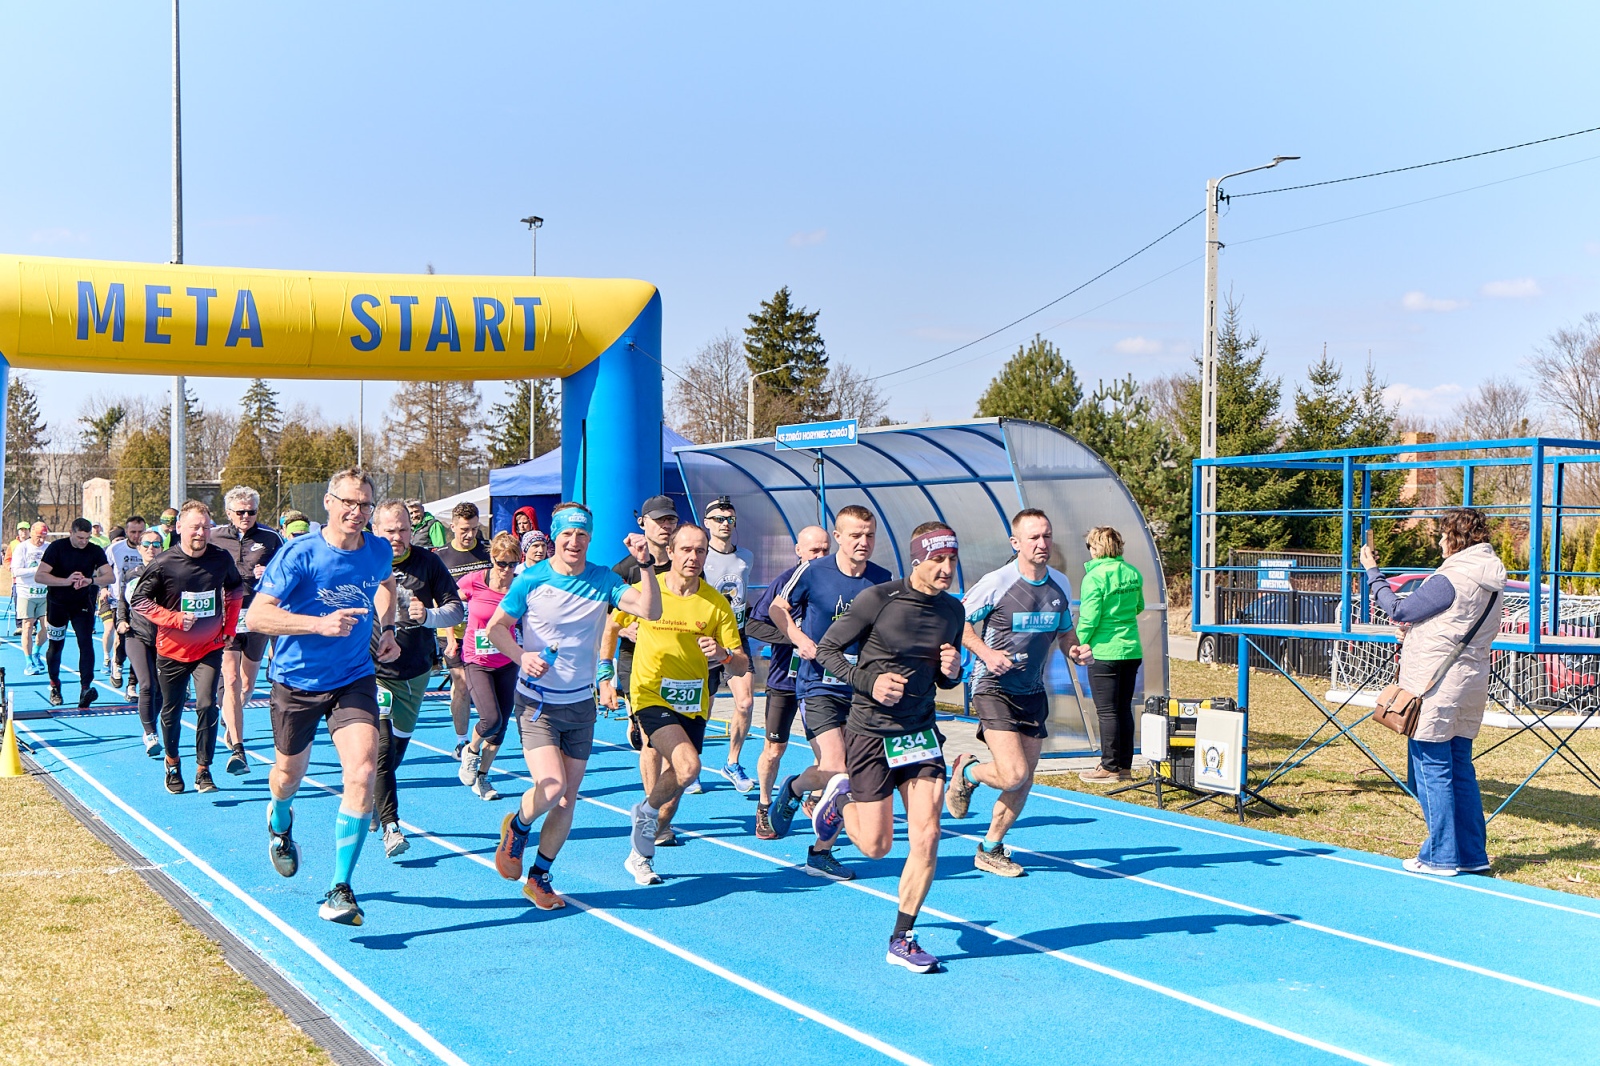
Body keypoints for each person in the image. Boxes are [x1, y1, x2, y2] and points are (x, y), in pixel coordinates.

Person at [247, 468, 400, 926]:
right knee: (287, 776)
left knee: (363, 770)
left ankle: (340, 888)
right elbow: (257, 617)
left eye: (365, 505)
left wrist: (387, 628)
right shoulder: (300, 554)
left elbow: (386, 584)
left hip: (353, 677)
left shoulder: (378, 550)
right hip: (296, 681)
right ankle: (279, 818)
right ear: (329, 503)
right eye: (348, 502)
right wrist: (318, 624)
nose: (357, 512)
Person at [811, 522, 966, 973]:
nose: (946, 568)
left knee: (928, 835)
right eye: (937, 559)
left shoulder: (953, 611)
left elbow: (944, 678)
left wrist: (953, 671)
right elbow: (827, 651)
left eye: (952, 560)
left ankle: (903, 937)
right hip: (872, 733)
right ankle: (840, 801)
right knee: (877, 847)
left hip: (919, 733)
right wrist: (869, 681)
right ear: (917, 559)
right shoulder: (878, 599)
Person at [489, 503, 660, 908]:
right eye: (567, 533)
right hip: (538, 702)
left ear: (590, 538)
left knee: (568, 798)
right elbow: (496, 628)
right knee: (551, 787)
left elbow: (651, 610)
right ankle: (518, 826)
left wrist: (646, 564)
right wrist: (521, 657)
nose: (574, 541)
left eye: (582, 534)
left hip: (581, 704)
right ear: (555, 536)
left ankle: (539, 878)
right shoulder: (531, 579)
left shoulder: (603, 580)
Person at [946, 509, 1092, 875]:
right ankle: (968, 772)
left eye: (1047, 536)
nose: (1042, 543)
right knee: (1013, 773)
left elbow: (1065, 632)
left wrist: (1075, 650)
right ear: (1016, 543)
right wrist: (986, 653)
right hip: (992, 687)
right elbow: (958, 621)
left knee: (1024, 779)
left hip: (1032, 690)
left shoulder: (1060, 583)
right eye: (1033, 537)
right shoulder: (998, 581)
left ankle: (990, 848)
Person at [1361, 507, 1505, 877]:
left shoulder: (1452, 576)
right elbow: (1453, 623)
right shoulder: (1490, 575)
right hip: (1469, 681)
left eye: (1443, 535)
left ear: (1456, 539)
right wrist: (1419, 630)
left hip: (1437, 685)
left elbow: (1398, 608)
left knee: (1431, 768)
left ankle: (1439, 857)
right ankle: (1471, 854)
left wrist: (1373, 572)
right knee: (1460, 768)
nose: (1439, 542)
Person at [765, 505, 891, 880]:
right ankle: (797, 789)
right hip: (817, 684)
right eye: (855, 535)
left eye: (869, 535)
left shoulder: (882, 580)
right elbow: (777, 607)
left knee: (848, 774)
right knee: (837, 766)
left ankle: (819, 849)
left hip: (860, 688)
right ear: (838, 537)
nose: (863, 542)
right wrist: (798, 637)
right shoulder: (813, 571)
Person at [617, 522, 747, 886]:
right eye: (686, 550)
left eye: (700, 551)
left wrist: (722, 654)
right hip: (649, 693)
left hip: (693, 699)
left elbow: (740, 664)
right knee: (689, 767)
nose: (693, 557)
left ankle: (643, 842)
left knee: (674, 795)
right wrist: (606, 672)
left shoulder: (715, 603)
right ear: (671, 552)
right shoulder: (648, 589)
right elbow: (611, 625)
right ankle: (645, 818)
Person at [369, 500, 463, 858]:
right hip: (372, 670)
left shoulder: (428, 562)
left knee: (395, 752)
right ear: (375, 530)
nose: (397, 537)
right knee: (381, 747)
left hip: (415, 671)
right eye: (389, 531)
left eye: (403, 530)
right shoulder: (362, 560)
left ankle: (375, 798)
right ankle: (392, 826)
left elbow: (456, 610)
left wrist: (429, 616)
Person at [131, 501, 244, 795]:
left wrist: (229, 627)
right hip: (172, 650)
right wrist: (175, 619)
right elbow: (139, 601)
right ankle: (172, 762)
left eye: (206, 527)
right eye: (195, 527)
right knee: (171, 712)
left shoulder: (220, 558)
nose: (201, 533)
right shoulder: (163, 563)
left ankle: (203, 770)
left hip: (209, 647)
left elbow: (235, 589)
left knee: (207, 705)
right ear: (179, 527)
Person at [598, 495, 681, 841]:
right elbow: (603, 618)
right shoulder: (625, 569)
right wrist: (622, 629)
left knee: (680, 750)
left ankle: (661, 811)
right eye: (659, 520)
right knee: (653, 741)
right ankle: (655, 817)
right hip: (636, 662)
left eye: (670, 520)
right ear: (642, 523)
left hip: (676, 663)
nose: (666, 526)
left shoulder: (684, 563)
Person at [743, 526, 830, 839]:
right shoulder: (785, 581)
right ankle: (765, 804)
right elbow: (753, 625)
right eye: (813, 551)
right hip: (786, 679)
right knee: (774, 749)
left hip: (822, 682)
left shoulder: (837, 582)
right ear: (798, 551)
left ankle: (816, 798)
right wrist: (794, 638)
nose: (820, 556)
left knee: (829, 752)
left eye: (825, 550)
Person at [212, 486, 285, 776]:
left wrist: (271, 575)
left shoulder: (270, 537)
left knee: (245, 685)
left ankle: (231, 717)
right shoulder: (215, 537)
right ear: (228, 513)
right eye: (240, 512)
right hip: (226, 615)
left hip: (257, 615)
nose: (246, 516)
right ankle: (238, 747)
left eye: (251, 512)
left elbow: (288, 571)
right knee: (230, 679)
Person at [1073, 525, 1146, 786]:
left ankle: (1109, 766)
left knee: (1106, 711)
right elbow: (1139, 606)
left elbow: (1089, 618)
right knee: (1123, 708)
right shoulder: (1132, 572)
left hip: (1105, 651)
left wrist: (1077, 644)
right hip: (1131, 649)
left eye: (1090, 546)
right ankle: (1124, 766)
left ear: (1096, 548)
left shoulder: (1094, 577)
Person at [455, 532, 523, 800]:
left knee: (501, 727)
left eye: (512, 564)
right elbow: (449, 604)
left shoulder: (520, 586)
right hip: (477, 661)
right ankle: (470, 751)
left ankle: (482, 777)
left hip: (506, 661)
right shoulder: (474, 581)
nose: (506, 569)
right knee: (491, 720)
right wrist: (449, 635)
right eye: (501, 563)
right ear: (492, 559)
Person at [700, 496, 758, 794]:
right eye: (719, 519)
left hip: (737, 636)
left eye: (730, 519)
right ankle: (692, 763)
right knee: (704, 706)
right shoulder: (700, 556)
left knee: (745, 703)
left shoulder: (746, 557)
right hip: (705, 638)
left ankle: (732, 763)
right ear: (707, 523)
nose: (725, 524)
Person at [35, 518, 115, 708]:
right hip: (58, 603)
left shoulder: (95, 550)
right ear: (71, 533)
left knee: (86, 643)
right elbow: (40, 576)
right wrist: (67, 581)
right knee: (56, 646)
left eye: (87, 538)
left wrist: (90, 580)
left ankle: (85, 688)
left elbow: (110, 576)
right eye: (80, 538)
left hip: (82, 603)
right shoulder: (57, 548)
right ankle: (55, 685)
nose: (83, 542)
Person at [435, 501, 491, 757]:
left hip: (485, 632)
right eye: (464, 530)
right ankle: (462, 741)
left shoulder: (488, 552)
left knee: (489, 688)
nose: (470, 535)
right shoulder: (441, 556)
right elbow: (438, 598)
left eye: (474, 529)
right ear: (453, 527)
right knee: (461, 683)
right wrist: (449, 638)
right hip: (453, 631)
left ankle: (489, 737)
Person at [116, 529, 168, 757]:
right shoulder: (131, 574)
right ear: (139, 548)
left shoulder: (169, 574)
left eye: (156, 545)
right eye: (146, 544)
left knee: (160, 689)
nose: (150, 549)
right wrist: (121, 621)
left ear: (162, 548)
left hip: (164, 637)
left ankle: (150, 723)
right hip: (136, 634)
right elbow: (122, 602)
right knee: (146, 685)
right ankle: (150, 733)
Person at [107, 515, 148, 695]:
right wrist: (103, 588)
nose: (137, 536)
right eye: (133, 532)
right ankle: (117, 662)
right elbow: (103, 569)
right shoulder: (115, 549)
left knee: (140, 644)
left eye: (140, 532)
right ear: (126, 531)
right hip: (119, 599)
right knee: (122, 638)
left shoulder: (149, 548)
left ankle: (132, 685)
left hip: (144, 604)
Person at [11, 522, 51, 675]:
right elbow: (16, 571)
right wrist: (36, 570)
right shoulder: (22, 548)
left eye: (44, 537)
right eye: (38, 537)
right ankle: (28, 662)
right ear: (32, 533)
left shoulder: (49, 548)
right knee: (27, 626)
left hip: (45, 593)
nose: (41, 540)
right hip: (26, 593)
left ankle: (36, 651)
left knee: (48, 627)